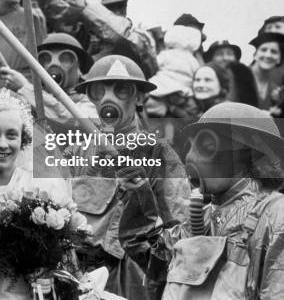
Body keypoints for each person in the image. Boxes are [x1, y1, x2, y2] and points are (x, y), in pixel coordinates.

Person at [118, 102, 284, 298]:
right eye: (191, 146)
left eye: (207, 146)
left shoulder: (275, 215)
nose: (191, 157)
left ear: (249, 156)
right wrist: (140, 193)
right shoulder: (202, 219)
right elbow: (153, 259)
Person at [72, 55, 189, 300]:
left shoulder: (159, 153)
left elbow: (180, 228)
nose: (108, 98)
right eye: (99, 90)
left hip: (130, 275)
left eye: (122, 90)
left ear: (139, 97)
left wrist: (142, 197)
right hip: (77, 273)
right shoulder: (77, 149)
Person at [0, 89, 72, 297]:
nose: (2, 144)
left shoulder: (41, 185)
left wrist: (48, 270)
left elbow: (65, 254)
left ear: (24, 140)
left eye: (11, 135)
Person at [26, 0, 158, 78]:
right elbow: (61, 16)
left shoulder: (141, 38)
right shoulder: (89, 36)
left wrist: (91, 8)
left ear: (121, 11)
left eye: (90, 17)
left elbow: (123, 37)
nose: (88, 23)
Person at [248, 32, 284, 114]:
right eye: (263, 50)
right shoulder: (238, 76)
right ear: (255, 55)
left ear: (279, 59)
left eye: (274, 52)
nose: (268, 55)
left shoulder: (274, 88)